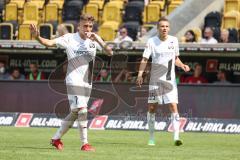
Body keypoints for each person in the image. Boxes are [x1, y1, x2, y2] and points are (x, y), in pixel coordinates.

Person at [30, 14, 113, 151]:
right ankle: (85, 144)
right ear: (79, 27)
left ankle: (56, 138)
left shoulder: (93, 40)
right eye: (85, 26)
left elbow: (110, 53)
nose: (87, 29)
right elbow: (48, 43)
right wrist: (37, 37)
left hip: (87, 82)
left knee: (75, 112)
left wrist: (99, 40)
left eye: (90, 26)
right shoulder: (69, 38)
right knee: (82, 110)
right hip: (73, 80)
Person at [136, 17, 190, 146]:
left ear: (169, 28)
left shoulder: (174, 41)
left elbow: (175, 58)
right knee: (152, 108)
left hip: (169, 80)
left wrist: (182, 65)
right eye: (162, 26)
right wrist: (140, 74)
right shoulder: (151, 42)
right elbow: (144, 59)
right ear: (157, 28)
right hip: (155, 80)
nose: (164, 28)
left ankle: (176, 137)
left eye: (166, 26)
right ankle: (151, 137)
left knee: (173, 106)